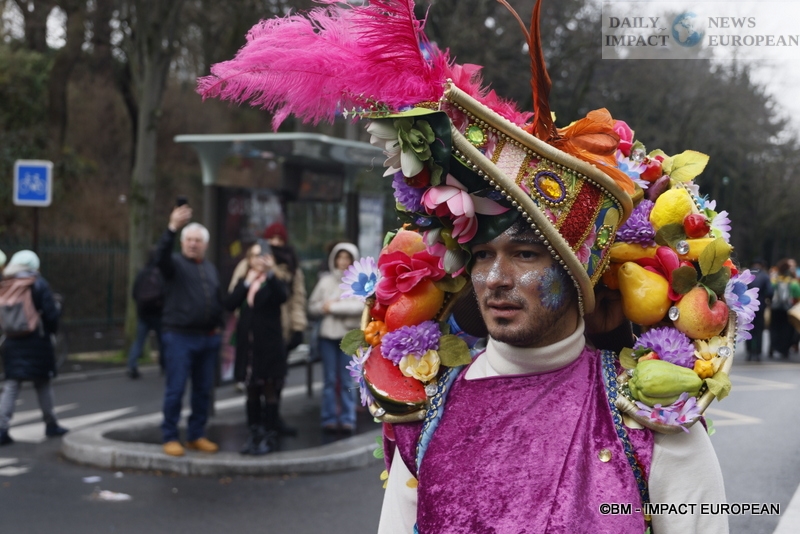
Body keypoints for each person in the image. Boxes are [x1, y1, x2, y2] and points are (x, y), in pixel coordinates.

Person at [199, 0, 738, 530]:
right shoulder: (425, 416)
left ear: (580, 272)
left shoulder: (652, 425)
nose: (496, 279)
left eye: (524, 254)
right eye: (482, 255)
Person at [155, 204, 224, 457]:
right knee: (176, 389)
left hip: (208, 337)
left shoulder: (209, 268)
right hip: (180, 336)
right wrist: (172, 228)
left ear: (205, 244)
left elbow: (217, 299)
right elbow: (160, 256)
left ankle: (196, 434)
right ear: (182, 242)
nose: (193, 244)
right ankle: (170, 435)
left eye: (198, 240)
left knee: (203, 390)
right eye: (189, 240)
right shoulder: (173, 265)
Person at [224, 243, 288, 454]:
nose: (259, 260)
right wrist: (246, 283)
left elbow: (282, 297)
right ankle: (254, 434)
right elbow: (230, 303)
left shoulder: (274, 280)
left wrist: (270, 273)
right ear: (249, 260)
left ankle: (270, 436)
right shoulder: (244, 280)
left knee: (269, 390)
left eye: (263, 256)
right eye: (254, 256)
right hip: (248, 347)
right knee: (251, 391)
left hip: (269, 346)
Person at [0, 250, 68, 445]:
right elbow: (50, 315)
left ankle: (2, 428)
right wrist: (51, 330)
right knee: (43, 383)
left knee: (12, 385)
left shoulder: (6, 283)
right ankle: (51, 424)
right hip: (37, 340)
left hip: (11, 340)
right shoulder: (37, 283)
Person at [308, 243, 363, 435]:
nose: (343, 262)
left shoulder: (359, 281)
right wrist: (323, 307)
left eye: (347, 258)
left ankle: (348, 419)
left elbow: (360, 307)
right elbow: (312, 306)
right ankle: (329, 418)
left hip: (348, 338)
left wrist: (332, 307)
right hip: (327, 338)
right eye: (340, 257)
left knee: (347, 380)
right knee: (330, 380)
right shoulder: (325, 281)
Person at [263, 222, 308, 436]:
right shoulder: (255, 260)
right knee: (259, 379)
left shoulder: (292, 266)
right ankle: (260, 422)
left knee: (278, 377)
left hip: (283, 328)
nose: (275, 243)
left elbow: (297, 299)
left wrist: (298, 328)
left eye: (279, 239)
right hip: (260, 327)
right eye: (271, 239)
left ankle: (274, 419)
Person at [127, 248, 164, 378]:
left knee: (139, 341)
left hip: (143, 313)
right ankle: (164, 366)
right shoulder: (160, 273)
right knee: (162, 342)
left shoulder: (142, 273)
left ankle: (132, 365)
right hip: (158, 313)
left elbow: (134, 292)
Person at [768, 258, 800, 359]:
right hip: (788, 309)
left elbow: (769, 291)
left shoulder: (774, 280)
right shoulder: (793, 282)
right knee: (787, 330)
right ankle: (784, 349)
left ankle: (772, 347)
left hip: (775, 309)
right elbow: (797, 294)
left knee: (774, 328)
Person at [746, 259, 773, 361]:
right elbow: (770, 291)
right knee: (758, 330)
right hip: (760, 307)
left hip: (746, 307)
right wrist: (768, 301)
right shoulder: (765, 276)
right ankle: (757, 352)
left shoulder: (747, 274)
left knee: (748, 328)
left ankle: (749, 351)